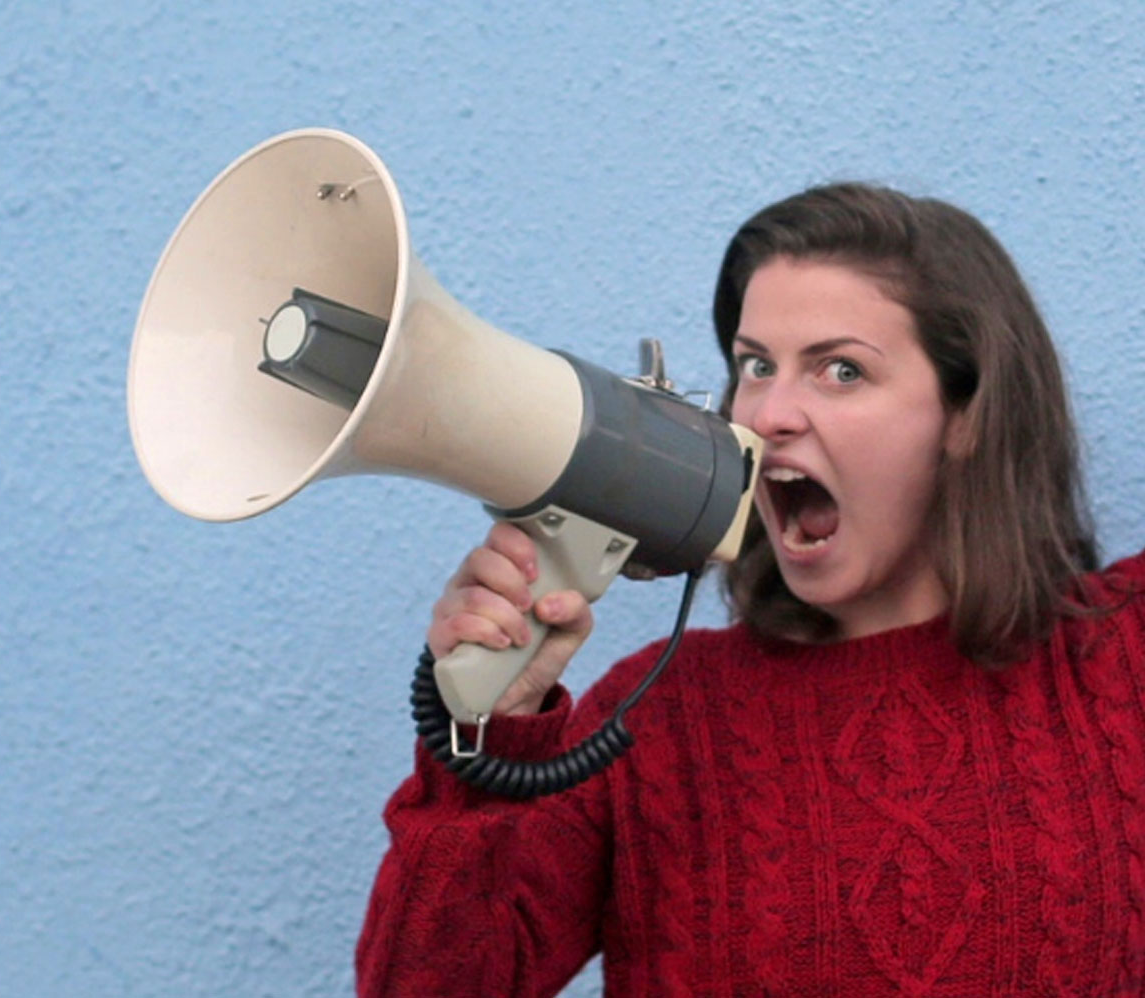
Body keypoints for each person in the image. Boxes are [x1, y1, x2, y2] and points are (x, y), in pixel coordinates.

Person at [354, 182, 1145, 997]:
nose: (769, 414)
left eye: (841, 371)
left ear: (968, 411)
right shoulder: (658, 719)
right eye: (755, 366)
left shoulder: (1122, 659)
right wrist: (481, 745)